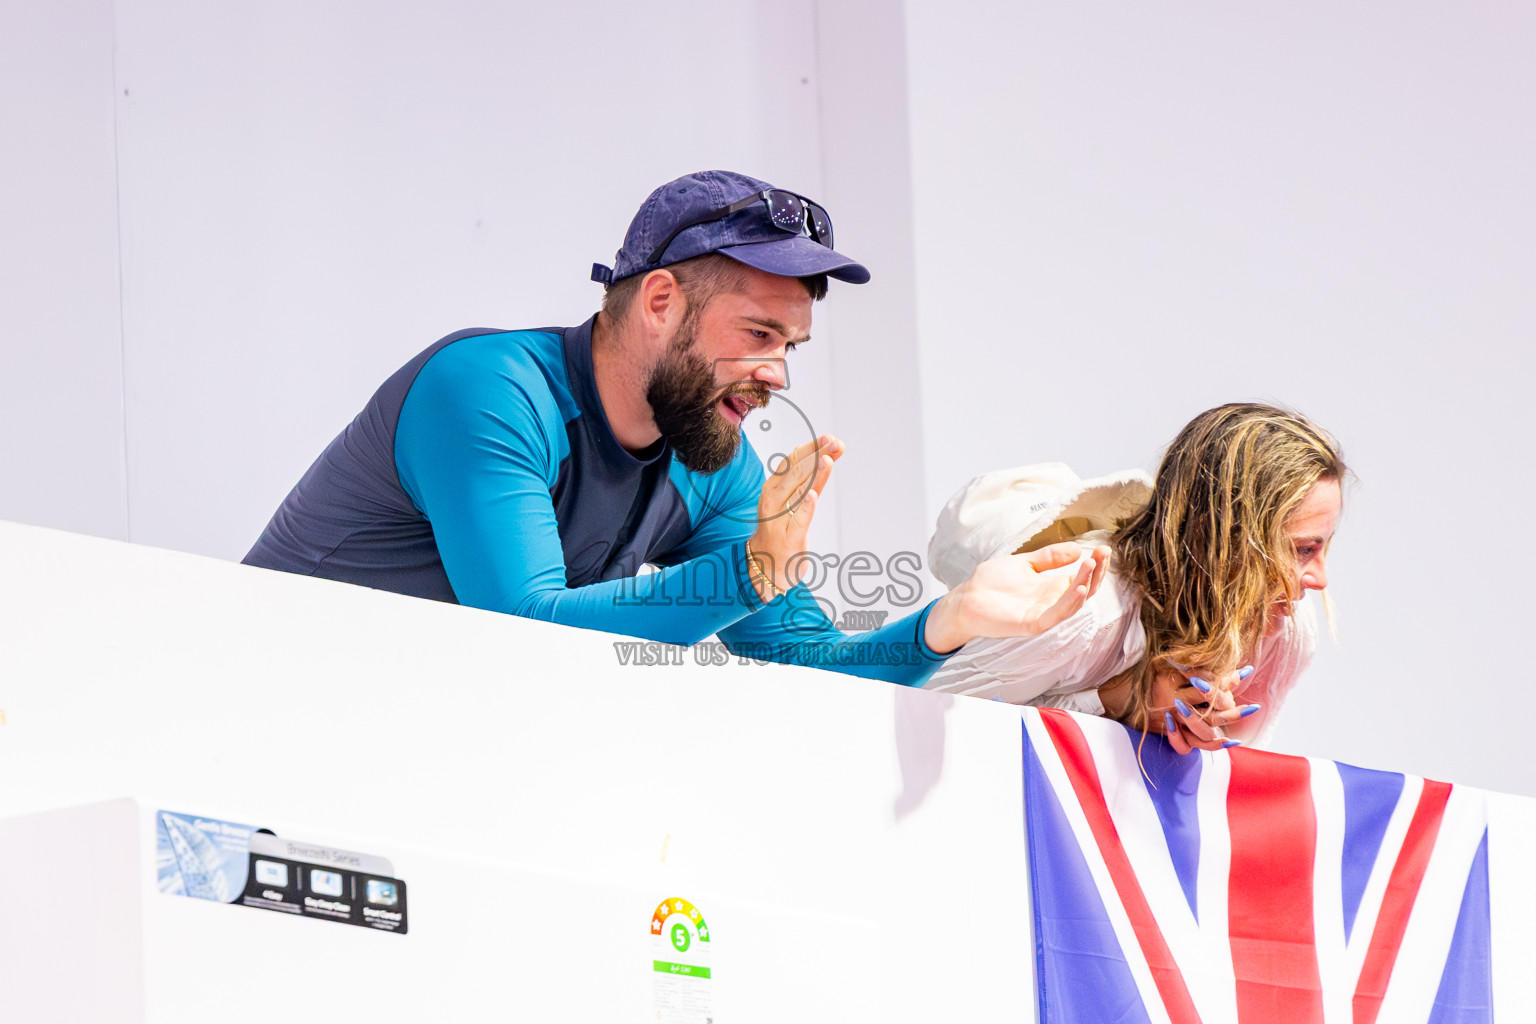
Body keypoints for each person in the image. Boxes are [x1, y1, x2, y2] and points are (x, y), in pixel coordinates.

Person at [243, 169, 1109, 684]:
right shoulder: (488, 390)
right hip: (258, 701)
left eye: (791, 346)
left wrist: (947, 620)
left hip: (402, 741)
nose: (777, 373)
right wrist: (752, 570)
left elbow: (802, 665)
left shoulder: (713, 459)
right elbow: (521, 625)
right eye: (758, 335)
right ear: (660, 301)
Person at [923, 403, 1345, 751]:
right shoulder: (1085, 606)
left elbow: (1238, 772)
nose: (1320, 579)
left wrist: (1205, 735)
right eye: (1302, 549)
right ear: (1220, 537)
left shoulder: (1287, 632)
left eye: (1324, 546)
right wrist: (1115, 702)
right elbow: (915, 720)